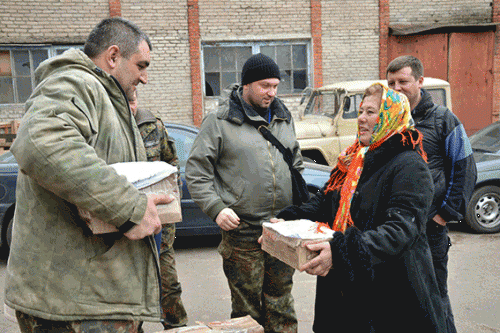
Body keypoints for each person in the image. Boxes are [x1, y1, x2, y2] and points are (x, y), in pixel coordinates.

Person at [5, 17, 173, 333]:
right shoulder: (77, 83)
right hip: (74, 308)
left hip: (93, 299)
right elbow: (41, 141)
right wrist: (131, 209)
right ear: (112, 56)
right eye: (141, 65)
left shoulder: (106, 98)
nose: (145, 77)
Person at [274, 83, 446, 332]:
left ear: (390, 116)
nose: (361, 119)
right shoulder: (355, 158)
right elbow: (327, 199)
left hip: (390, 290)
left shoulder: (409, 165)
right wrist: (291, 218)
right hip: (346, 285)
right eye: (361, 111)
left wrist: (343, 251)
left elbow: (400, 232)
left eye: (370, 112)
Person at [185, 53, 302, 332]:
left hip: (282, 228)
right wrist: (217, 208)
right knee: (246, 311)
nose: (271, 92)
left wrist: (296, 212)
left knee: (281, 304)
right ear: (246, 84)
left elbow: (295, 163)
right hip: (243, 231)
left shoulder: (284, 118)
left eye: (275, 86)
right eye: (264, 86)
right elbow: (197, 172)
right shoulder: (220, 120)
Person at [386, 55, 477, 333]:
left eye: (403, 81)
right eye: (391, 83)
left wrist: (444, 215)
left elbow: (465, 168)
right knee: (400, 299)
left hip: (430, 229)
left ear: (420, 82)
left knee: (434, 296)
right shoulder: (387, 121)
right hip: (395, 230)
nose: (397, 88)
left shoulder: (443, 120)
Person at [129, 91, 188, 330]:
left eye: (133, 101)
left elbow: (172, 165)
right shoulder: (106, 129)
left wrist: (172, 202)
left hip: (160, 230)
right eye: (125, 101)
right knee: (131, 295)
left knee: (169, 287)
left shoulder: (153, 126)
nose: (130, 107)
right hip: (126, 230)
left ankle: (177, 327)